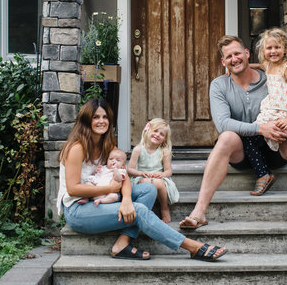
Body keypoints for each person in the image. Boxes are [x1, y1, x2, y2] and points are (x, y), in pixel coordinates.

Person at [179, 34, 287, 230]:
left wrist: (284, 125)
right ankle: (199, 212)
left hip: (275, 148)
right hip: (242, 153)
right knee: (226, 136)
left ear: (247, 54)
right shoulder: (219, 85)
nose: (234, 59)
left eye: (237, 53)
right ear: (223, 62)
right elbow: (222, 124)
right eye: (228, 57)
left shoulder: (272, 78)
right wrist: (261, 129)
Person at [57, 98, 227, 261]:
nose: (101, 121)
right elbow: (73, 189)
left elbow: (123, 177)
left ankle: (122, 242)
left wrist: (127, 200)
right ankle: (192, 247)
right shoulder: (77, 148)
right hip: (78, 210)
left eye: (105, 117)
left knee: (149, 189)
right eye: (96, 117)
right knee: (138, 210)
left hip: (104, 199)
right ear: (87, 120)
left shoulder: (107, 145)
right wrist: (110, 189)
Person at [243, 28, 287, 196]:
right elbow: (260, 66)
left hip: (284, 111)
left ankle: (263, 174)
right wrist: (246, 67)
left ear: (285, 48)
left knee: (254, 138)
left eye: (277, 47)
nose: (273, 51)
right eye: (269, 48)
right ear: (264, 51)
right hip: (271, 109)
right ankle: (264, 174)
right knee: (249, 136)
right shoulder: (268, 65)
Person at [127, 118, 179, 223]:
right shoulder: (138, 149)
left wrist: (162, 174)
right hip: (142, 177)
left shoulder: (164, 151)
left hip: (159, 179)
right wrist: (140, 173)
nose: (157, 135)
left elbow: (169, 171)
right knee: (147, 183)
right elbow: (130, 170)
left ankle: (164, 208)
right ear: (147, 130)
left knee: (158, 183)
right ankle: (146, 211)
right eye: (155, 131)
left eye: (161, 134)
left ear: (164, 139)